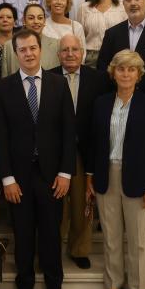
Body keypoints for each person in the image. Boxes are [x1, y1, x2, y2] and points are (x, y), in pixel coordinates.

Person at [0, 29, 77, 289]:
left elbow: (69, 132)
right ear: (15, 53)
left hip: (52, 177)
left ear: (41, 49)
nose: (28, 54)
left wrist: (66, 173)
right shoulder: (3, 88)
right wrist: (7, 179)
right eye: (22, 49)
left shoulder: (58, 84)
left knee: (52, 236)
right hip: (18, 179)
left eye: (32, 48)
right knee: (24, 236)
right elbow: (0, 138)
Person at [86, 50, 145, 289]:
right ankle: (114, 287)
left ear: (139, 74)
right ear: (113, 73)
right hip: (106, 176)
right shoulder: (101, 103)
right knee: (111, 237)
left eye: (131, 70)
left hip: (139, 181)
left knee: (138, 240)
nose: (126, 74)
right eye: (121, 69)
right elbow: (93, 144)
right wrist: (90, 177)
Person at [49, 34, 106, 270]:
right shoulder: (48, 77)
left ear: (82, 53)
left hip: (85, 150)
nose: (70, 54)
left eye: (74, 49)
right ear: (59, 54)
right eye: (65, 50)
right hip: (55, 151)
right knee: (55, 203)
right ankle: (52, 248)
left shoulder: (98, 79)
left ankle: (79, 249)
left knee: (82, 203)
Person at [78, 0, 127, 68]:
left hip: (117, 57)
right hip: (91, 58)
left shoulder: (123, 6)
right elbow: (80, 38)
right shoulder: (84, 8)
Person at [0, 4, 60, 77]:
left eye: (40, 18)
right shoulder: (9, 46)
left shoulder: (56, 45)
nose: (36, 21)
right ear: (24, 21)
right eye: (31, 18)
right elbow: (5, 79)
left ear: (44, 21)